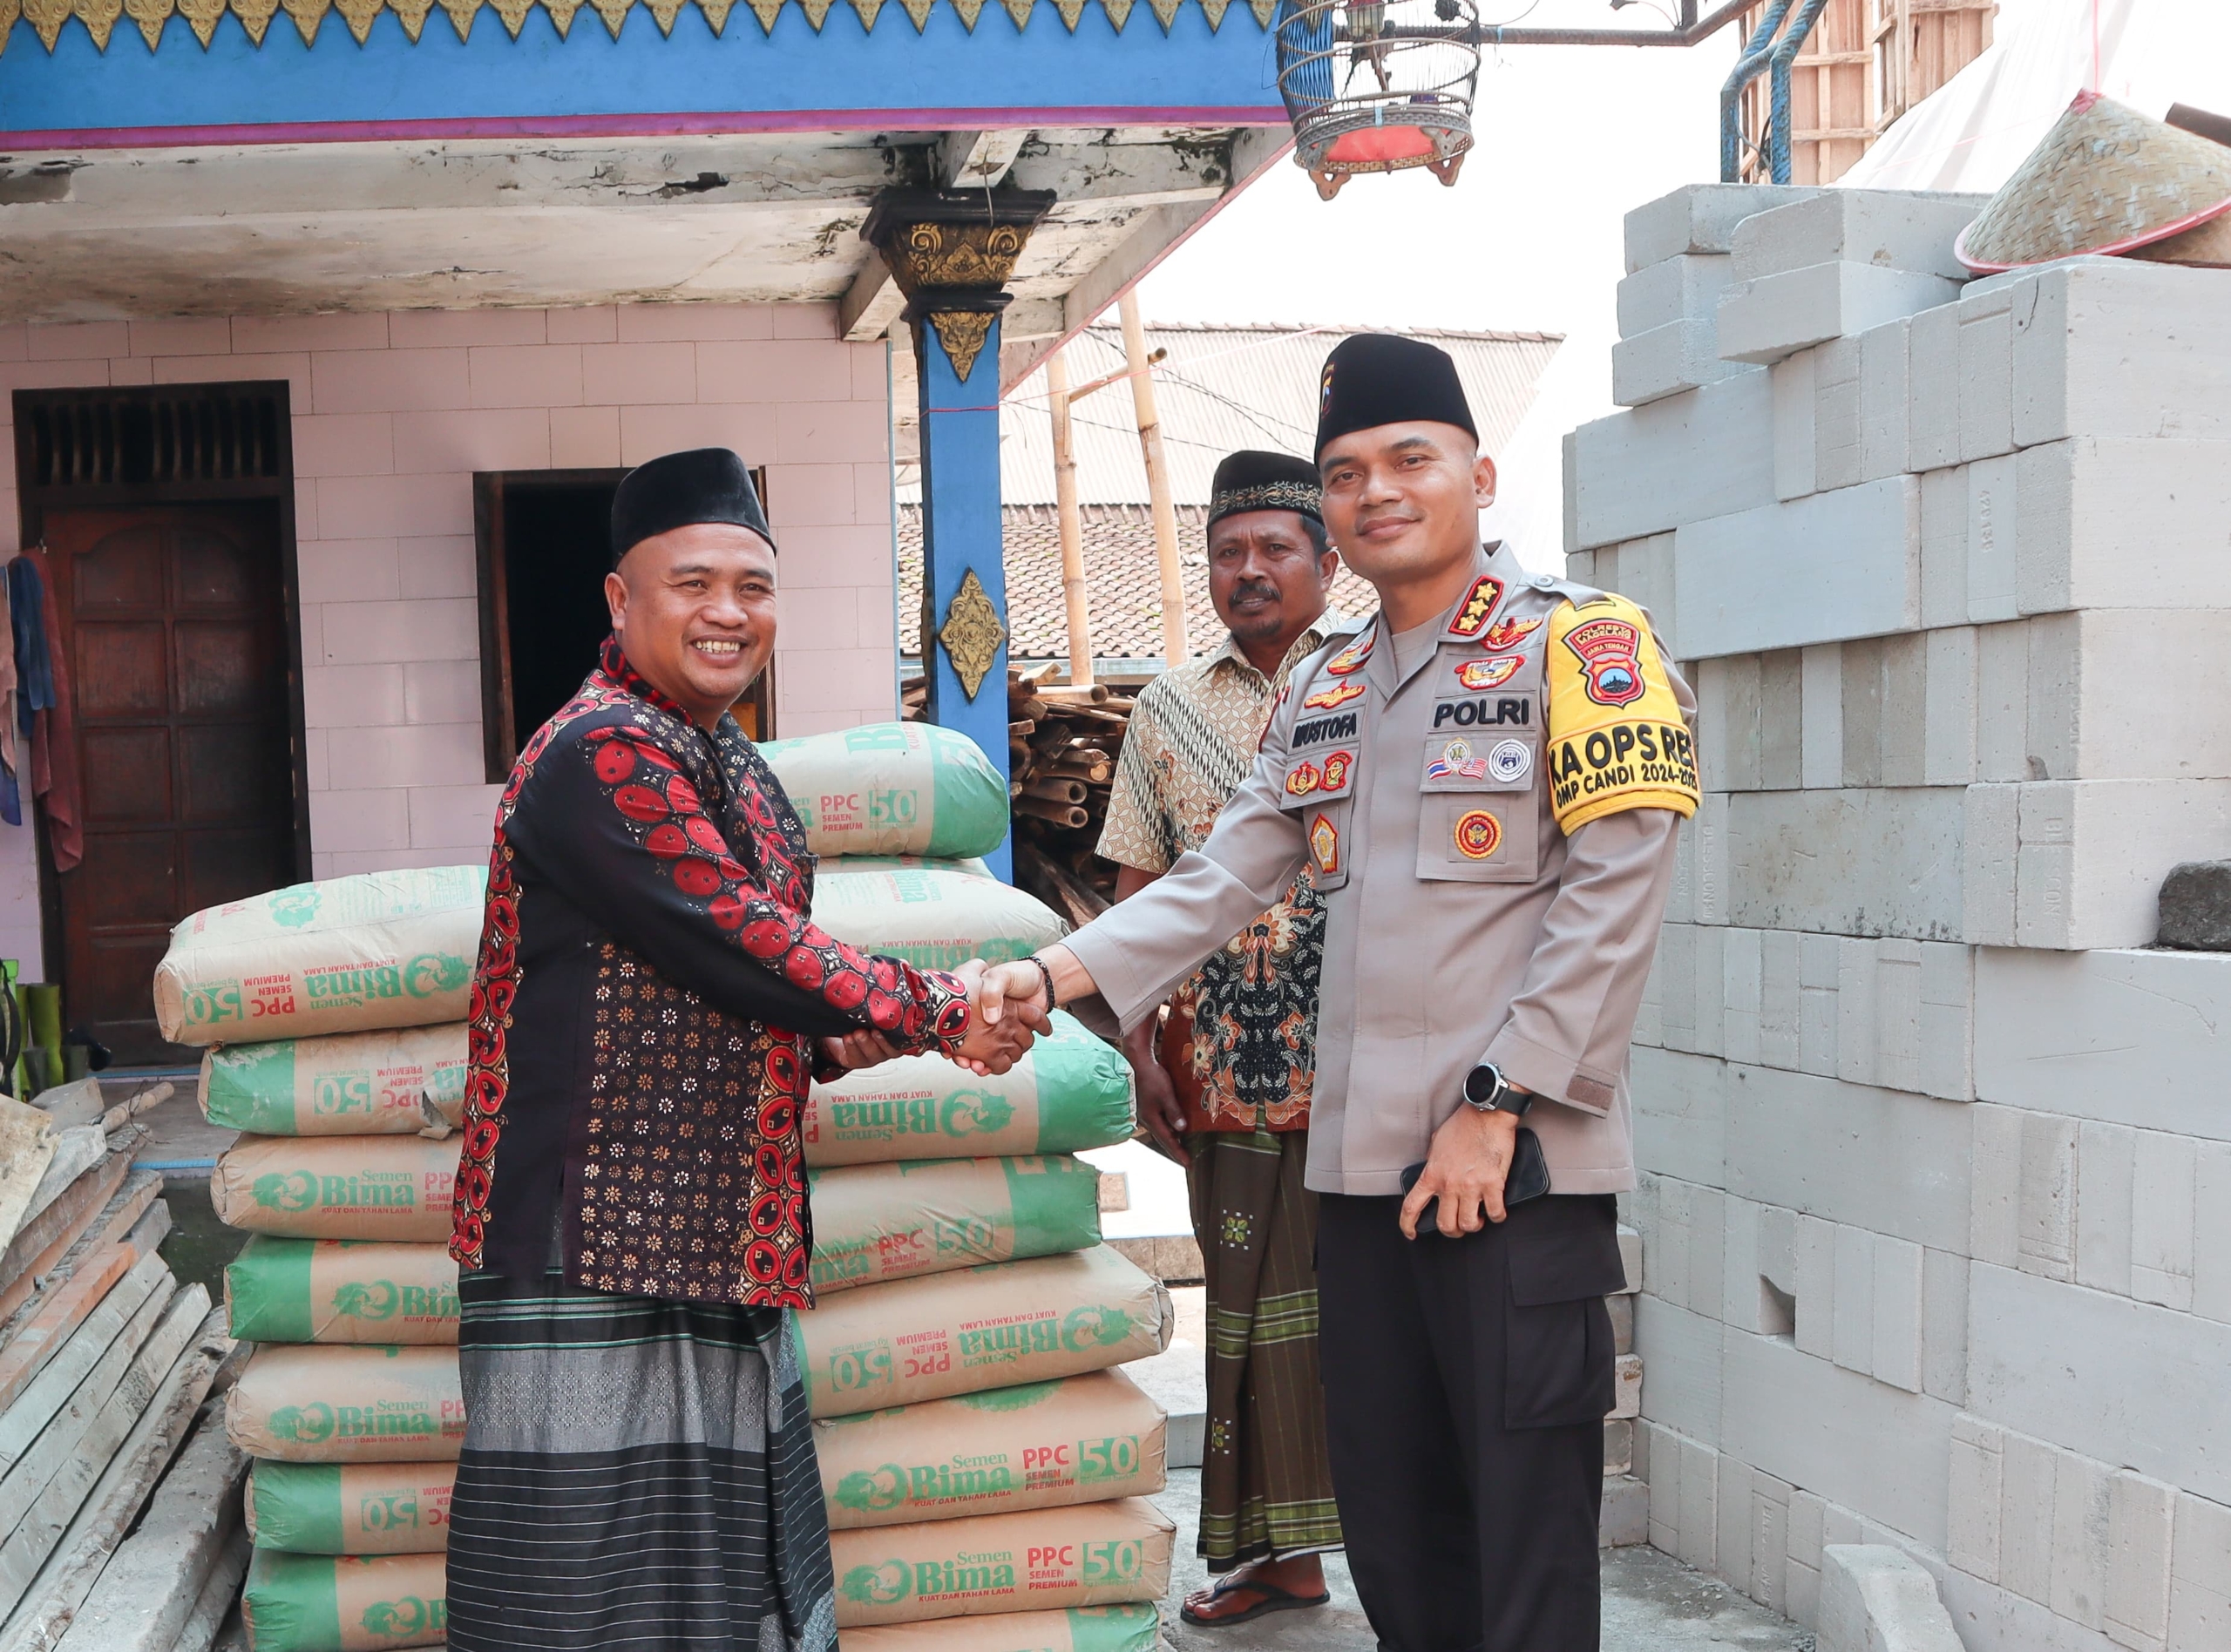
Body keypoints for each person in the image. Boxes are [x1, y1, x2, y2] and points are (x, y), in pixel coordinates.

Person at [977, 335, 1699, 1652]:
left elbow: (1616, 894)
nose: (1377, 492)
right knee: (1395, 1530)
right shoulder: (1328, 684)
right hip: (1360, 1184)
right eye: (1347, 473)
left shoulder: (1583, 644)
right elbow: (1220, 877)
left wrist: (1501, 1101)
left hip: (1511, 1171)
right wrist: (1048, 976)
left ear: (1479, 475)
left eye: (1409, 460)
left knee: (1523, 1539)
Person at [444, 448, 1037, 1652]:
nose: (729, 612)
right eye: (694, 583)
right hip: (587, 1232)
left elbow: (742, 983)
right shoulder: (600, 751)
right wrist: (937, 1007)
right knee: (584, 1585)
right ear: (622, 601)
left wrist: (843, 1038)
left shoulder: (739, 768)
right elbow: (734, 932)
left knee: (716, 1578)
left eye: (754, 586)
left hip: (714, 1222)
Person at [1095, 450, 1355, 1628]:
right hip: (1222, 1072)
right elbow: (1138, 894)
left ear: (1326, 561)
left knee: (1370, 1317)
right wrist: (1137, 1049)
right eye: (1228, 551)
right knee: (1245, 1316)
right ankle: (1280, 1560)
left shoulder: (1373, 677)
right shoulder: (1165, 708)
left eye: (1274, 548)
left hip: (1368, 1067)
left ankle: (1411, 1552)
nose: (1250, 569)